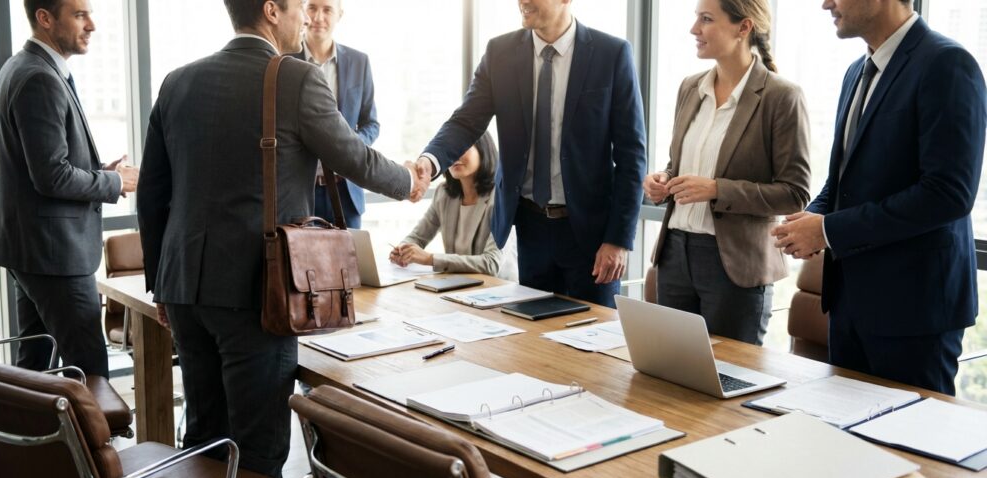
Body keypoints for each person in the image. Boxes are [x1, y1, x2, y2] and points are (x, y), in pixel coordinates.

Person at [136, 0, 427, 478]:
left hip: (184, 289)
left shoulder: (178, 81)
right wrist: (410, 183)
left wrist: (161, 283)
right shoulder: (295, 77)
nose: (306, 21)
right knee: (260, 452)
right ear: (272, 11)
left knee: (207, 436)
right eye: (298, 8)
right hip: (257, 292)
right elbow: (354, 157)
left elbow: (153, 192)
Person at [772, 0, 986, 395]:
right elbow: (844, 181)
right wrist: (810, 219)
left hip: (915, 313)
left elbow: (948, 194)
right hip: (849, 303)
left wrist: (829, 230)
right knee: (849, 448)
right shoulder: (856, 71)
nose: (825, 4)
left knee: (915, 449)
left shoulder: (947, 64)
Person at [417, 0, 646, 309]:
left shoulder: (611, 54)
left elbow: (632, 156)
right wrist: (429, 162)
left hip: (591, 235)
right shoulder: (500, 53)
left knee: (594, 344)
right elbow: (466, 121)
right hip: (530, 228)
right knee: (534, 344)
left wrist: (618, 240)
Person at [0, 0, 138, 378]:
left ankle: (26, 436)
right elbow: (51, 176)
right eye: (80, 15)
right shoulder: (40, 78)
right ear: (45, 19)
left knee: (35, 365)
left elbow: (42, 163)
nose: (92, 25)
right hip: (53, 254)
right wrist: (115, 182)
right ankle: (97, 439)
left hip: (29, 249)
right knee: (89, 368)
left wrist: (98, 170)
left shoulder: (24, 67)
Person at [643, 0, 810, 345]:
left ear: (743, 27)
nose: (694, 29)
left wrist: (718, 189)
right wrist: (663, 180)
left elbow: (795, 193)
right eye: (696, 19)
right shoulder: (690, 88)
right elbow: (682, 165)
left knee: (728, 383)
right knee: (670, 378)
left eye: (706, 20)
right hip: (674, 254)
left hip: (733, 265)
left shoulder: (782, 97)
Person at [390, 132, 517, 280]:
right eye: (451, 150)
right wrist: (402, 249)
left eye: (463, 148)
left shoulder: (502, 197)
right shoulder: (444, 194)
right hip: (460, 287)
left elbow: (491, 264)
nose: (455, 155)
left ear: (484, 151)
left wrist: (429, 259)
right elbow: (418, 236)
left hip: (499, 290)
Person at [294, 0, 376, 228]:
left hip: (346, 191)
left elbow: (371, 123)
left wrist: (350, 147)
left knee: (349, 264)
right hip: (302, 192)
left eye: (327, 9)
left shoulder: (359, 62)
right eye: (312, 8)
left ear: (339, 14)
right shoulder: (285, 60)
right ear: (303, 12)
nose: (318, 17)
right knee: (303, 263)